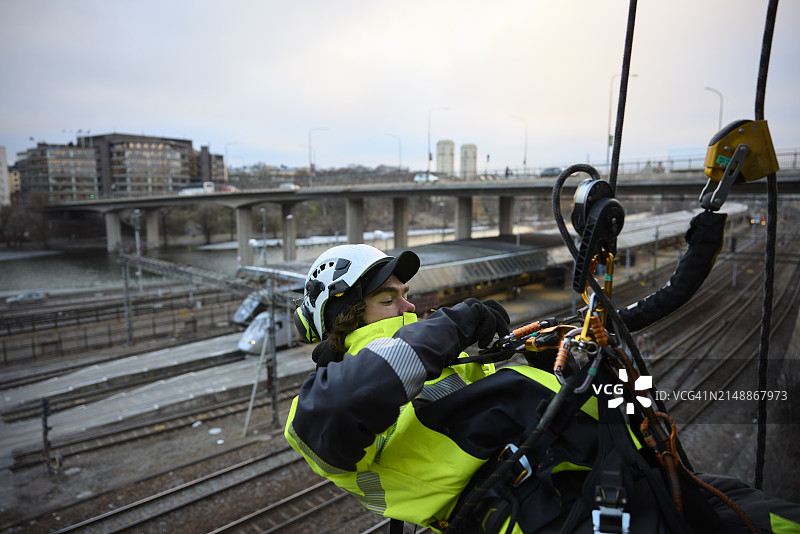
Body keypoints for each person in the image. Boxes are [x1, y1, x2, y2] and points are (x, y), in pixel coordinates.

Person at [285, 243, 800, 533]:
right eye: (387, 300)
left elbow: (532, 402)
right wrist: (456, 323)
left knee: (752, 507)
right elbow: (348, 400)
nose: (409, 308)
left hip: (609, 481)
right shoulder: (316, 407)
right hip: (544, 518)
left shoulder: (443, 364)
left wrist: (562, 364)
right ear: (344, 318)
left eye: (407, 297)